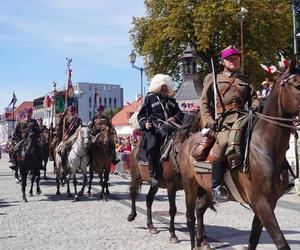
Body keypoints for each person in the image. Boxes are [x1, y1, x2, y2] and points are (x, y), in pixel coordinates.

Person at [200, 45, 260, 203]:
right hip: (224, 123)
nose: (234, 61)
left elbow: (255, 98)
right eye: (230, 59)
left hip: (245, 119)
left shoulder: (245, 80)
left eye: (236, 58)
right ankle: (217, 187)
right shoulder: (214, 78)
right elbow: (204, 103)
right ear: (223, 61)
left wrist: (254, 106)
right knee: (225, 143)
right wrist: (208, 122)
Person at [137, 74, 183, 186]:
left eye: (166, 86)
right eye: (162, 86)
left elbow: (180, 113)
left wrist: (174, 118)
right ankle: (153, 175)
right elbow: (141, 115)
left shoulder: (171, 100)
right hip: (154, 129)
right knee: (152, 146)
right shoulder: (150, 98)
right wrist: (145, 123)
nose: (164, 88)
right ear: (157, 87)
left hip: (171, 128)